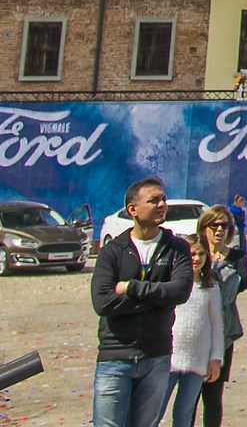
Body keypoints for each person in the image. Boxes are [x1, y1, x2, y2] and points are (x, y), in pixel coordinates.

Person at [92, 176, 194, 427]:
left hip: (156, 356)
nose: (162, 205)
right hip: (115, 357)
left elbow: (180, 292)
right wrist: (159, 298)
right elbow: (103, 302)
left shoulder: (177, 248)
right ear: (133, 210)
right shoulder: (112, 251)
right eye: (153, 200)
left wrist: (131, 288)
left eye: (163, 200)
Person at [166, 225, 226, 427]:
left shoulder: (210, 287)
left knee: (184, 413)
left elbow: (217, 325)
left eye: (201, 254)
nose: (196, 258)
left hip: (197, 359)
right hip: (169, 358)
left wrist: (215, 358)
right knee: (155, 410)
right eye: (192, 254)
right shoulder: (172, 284)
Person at [193, 206, 247, 427]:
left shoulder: (236, 257)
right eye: (213, 225)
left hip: (222, 332)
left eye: (224, 225)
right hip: (195, 331)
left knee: (213, 395)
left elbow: (243, 281)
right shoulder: (195, 255)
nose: (219, 230)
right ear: (203, 227)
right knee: (190, 394)